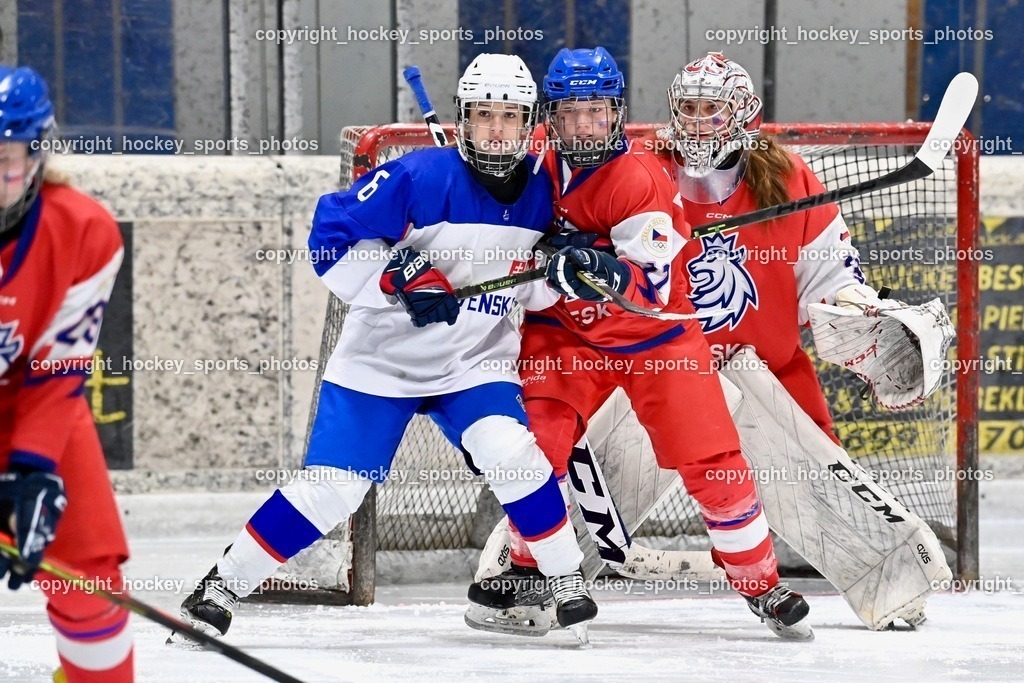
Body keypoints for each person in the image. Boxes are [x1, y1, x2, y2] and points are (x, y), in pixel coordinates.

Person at [177, 53, 597, 639]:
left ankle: (566, 581)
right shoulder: (419, 177)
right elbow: (329, 238)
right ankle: (221, 584)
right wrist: (395, 278)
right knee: (334, 490)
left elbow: (534, 294)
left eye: (509, 115)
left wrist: (563, 275)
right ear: (463, 119)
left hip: (473, 365)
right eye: (482, 115)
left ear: (531, 124)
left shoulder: (545, 195)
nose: (496, 128)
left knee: (513, 452)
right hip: (380, 364)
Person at [466, 47, 812, 640]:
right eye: (571, 113)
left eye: (596, 112)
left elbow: (647, 287)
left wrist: (596, 265)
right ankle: (523, 575)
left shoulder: (639, 177)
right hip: (566, 334)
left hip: (658, 336)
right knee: (537, 448)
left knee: (714, 462)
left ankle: (760, 582)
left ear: (617, 114)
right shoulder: (538, 169)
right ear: (549, 115)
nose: (583, 126)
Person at [661, 51, 951, 627]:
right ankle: (543, 568)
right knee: (595, 470)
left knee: (825, 479)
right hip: (667, 368)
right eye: (688, 108)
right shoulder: (647, 172)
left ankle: (888, 588)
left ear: (741, 113)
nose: (697, 122)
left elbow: (832, 275)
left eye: (711, 110)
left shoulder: (788, 178)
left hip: (768, 368)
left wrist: (859, 308)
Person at [0, 66, 133, 681]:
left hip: (34, 404)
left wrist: (29, 471)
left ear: (37, 153)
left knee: (90, 584)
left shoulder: (84, 230)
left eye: (6, 157)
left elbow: (57, 372)